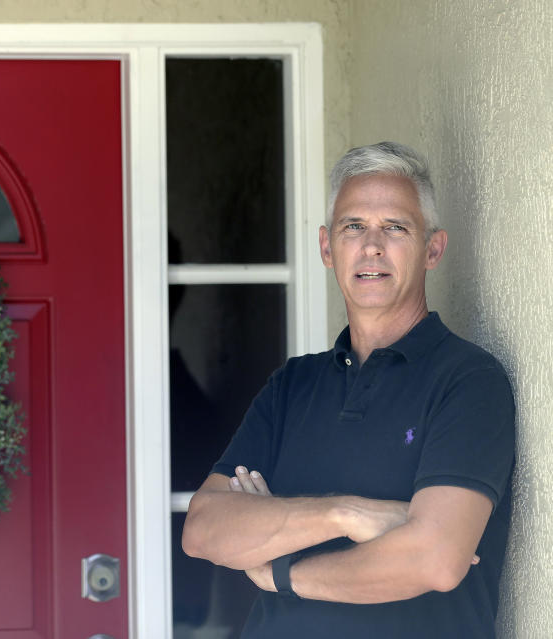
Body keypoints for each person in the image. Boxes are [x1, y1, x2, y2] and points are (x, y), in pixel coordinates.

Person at [182, 141, 515, 638]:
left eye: (395, 228)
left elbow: (435, 560)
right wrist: (349, 514)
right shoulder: (292, 386)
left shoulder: (467, 380)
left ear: (433, 249)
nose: (371, 246)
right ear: (326, 248)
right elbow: (204, 528)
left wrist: (282, 571)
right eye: (353, 226)